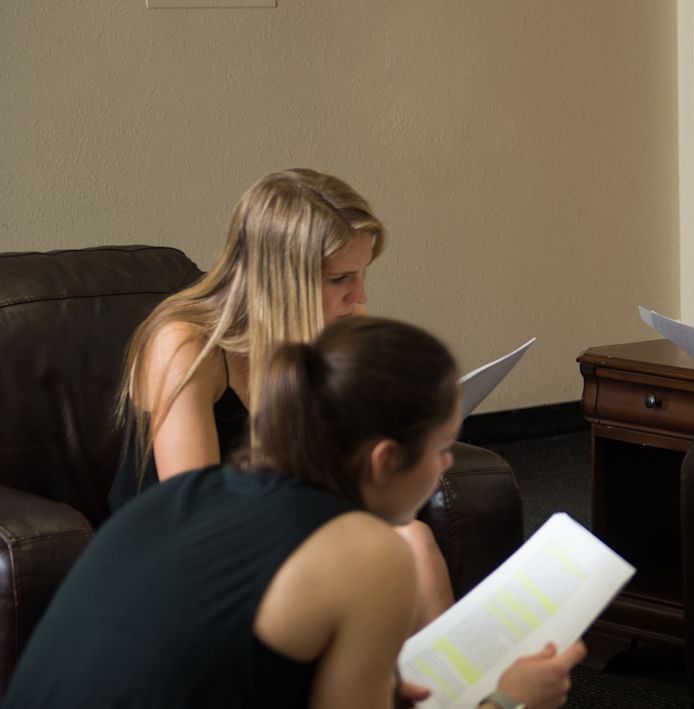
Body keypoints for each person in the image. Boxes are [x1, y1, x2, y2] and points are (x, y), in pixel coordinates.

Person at [6, 318, 584, 708]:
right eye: (441, 449)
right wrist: (509, 699)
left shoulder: (181, 495)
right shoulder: (367, 550)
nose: (449, 463)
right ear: (384, 460)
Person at [112, 168, 455, 627]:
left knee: (412, 540)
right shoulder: (185, 344)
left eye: (362, 274)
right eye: (341, 279)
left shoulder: (320, 334)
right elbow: (194, 508)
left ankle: (453, 691)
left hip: (271, 525)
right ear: (282, 279)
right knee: (397, 547)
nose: (360, 295)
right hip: (180, 553)